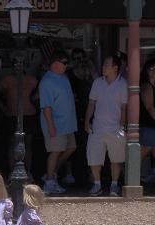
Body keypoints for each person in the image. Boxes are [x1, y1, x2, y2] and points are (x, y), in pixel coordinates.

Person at [84, 55, 128, 197]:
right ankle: (97, 184)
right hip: (97, 127)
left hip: (115, 128)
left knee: (116, 159)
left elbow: (124, 107)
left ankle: (114, 185)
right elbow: (91, 103)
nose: (104, 67)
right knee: (94, 158)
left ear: (116, 67)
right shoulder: (97, 82)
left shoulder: (123, 84)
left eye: (107, 65)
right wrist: (87, 121)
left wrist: (122, 126)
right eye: (103, 64)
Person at [39, 50, 77, 194]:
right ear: (55, 63)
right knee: (55, 152)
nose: (67, 65)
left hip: (68, 124)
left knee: (71, 148)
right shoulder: (47, 81)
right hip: (56, 124)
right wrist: (50, 126)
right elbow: (46, 106)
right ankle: (49, 182)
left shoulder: (63, 77)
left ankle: (51, 173)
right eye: (65, 62)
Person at [0, 58, 39, 179]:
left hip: (29, 114)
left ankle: (28, 171)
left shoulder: (32, 79)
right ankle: (12, 171)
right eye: (15, 64)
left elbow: (38, 94)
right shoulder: (7, 80)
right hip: (12, 114)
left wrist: (34, 102)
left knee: (28, 143)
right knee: (12, 143)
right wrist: (2, 107)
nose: (17, 66)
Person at [65, 49, 97, 186]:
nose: (79, 61)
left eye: (81, 58)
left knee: (90, 146)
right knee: (73, 145)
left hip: (91, 115)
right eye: (76, 58)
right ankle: (70, 173)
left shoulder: (94, 78)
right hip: (75, 114)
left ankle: (91, 174)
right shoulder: (70, 75)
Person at [139, 58, 155, 183]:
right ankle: (128, 177)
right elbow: (149, 107)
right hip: (148, 126)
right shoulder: (147, 86)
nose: (154, 71)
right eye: (151, 69)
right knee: (142, 153)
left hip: (152, 126)